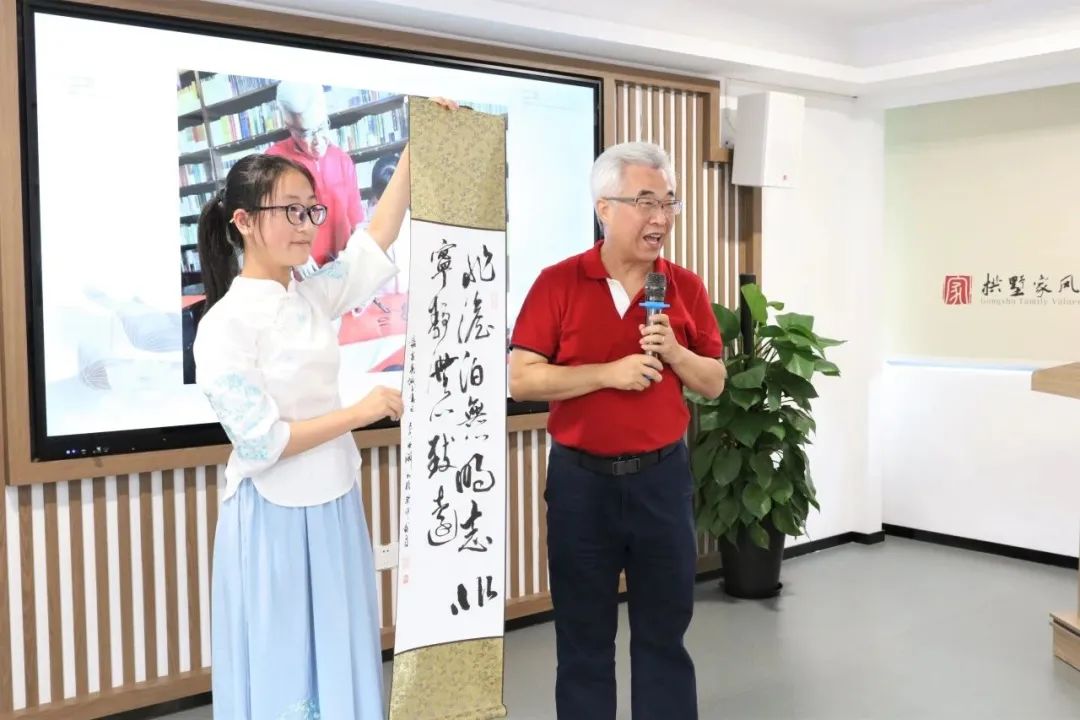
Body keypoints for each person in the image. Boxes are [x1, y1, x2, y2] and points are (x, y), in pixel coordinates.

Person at [193, 99, 456, 719]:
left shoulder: (310, 296)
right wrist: (358, 413)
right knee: (285, 667)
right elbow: (261, 443)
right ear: (243, 222)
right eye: (290, 210)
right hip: (272, 516)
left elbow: (375, 240)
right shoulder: (223, 326)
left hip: (335, 501)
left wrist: (416, 149)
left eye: (311, 209)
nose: (307, 224)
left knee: (343, 651)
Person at [509, 141, 727, 720]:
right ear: (604, 208)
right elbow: (522, 379)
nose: (661, 218)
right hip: (582, 486)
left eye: (669, 203)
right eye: (645, 202)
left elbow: (714, 382)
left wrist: (675, 352)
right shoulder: (558, 282)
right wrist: (607, 373)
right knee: (583, 640)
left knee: (664, 635)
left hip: (662, 481)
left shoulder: (684, 287)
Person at [267, 81, 364, 268]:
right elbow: (266, 223)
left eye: (321, 127)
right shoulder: (273, 162)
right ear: (289, 127)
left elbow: (357, 222)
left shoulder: (342, 159)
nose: (318, 140)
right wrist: (291, 255)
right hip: (296, 273)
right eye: (306, 133)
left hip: (340, 269)